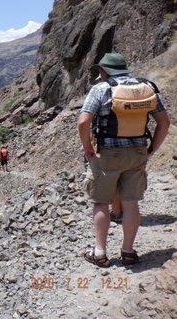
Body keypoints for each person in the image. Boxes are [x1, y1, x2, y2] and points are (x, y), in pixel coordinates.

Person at [78, 52, 169, 267]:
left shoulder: (101, 89)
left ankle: (99, 253)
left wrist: (87, 148)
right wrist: (152, 148)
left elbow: (83, 122)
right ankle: (128, 252)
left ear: (104, 71)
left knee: (101, 202)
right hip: (137, 153)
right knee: (131, 203)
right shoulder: (147, 87)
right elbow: (164, 122)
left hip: (107, 154)